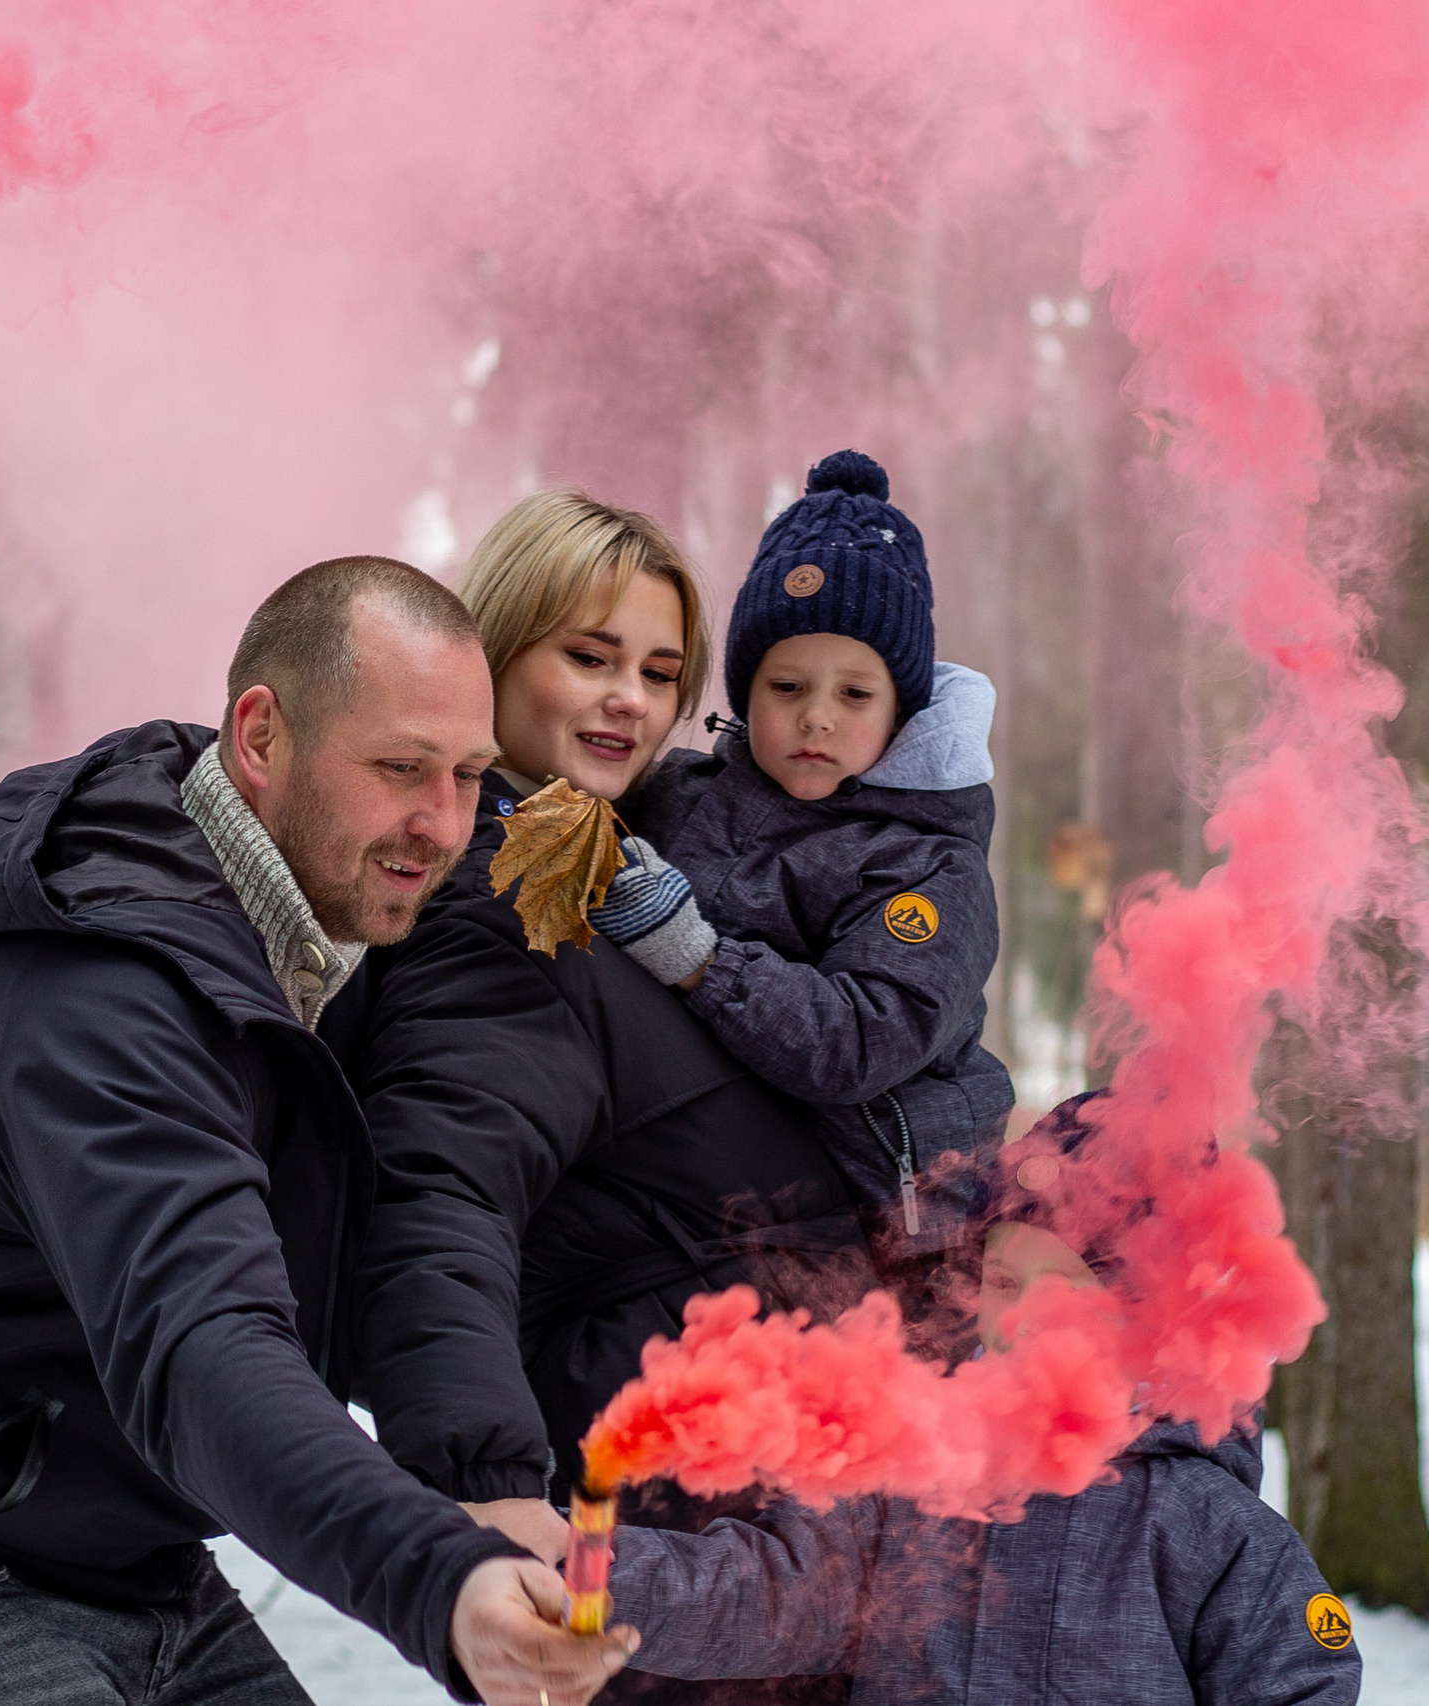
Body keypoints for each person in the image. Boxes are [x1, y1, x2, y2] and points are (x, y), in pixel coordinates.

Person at [0, 557, 638, 1706]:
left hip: (119, 1552)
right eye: (399, 767)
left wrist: (478, 1478)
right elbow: (202, 1343)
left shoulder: (324, 948)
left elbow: (429, 1214)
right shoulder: (101, 986)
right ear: (260, 736)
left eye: (467, 775)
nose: (440, 824)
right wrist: (440, 1579)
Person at [333, 491, 881, 1705]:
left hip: (762, 1512)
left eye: (659, 669)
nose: (627, 698)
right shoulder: (507, 906)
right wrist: (482, 1487)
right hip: (675, 1521)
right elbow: (441, 1191)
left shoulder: (613, 881)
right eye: (586, 656)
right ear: (493, 655)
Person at [599, 1217, 1362, 1705]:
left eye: (1065, 1287)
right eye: (1003, 1282)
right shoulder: (914, 1477)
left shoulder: (1207, 1525)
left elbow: (1303, 1685)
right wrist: (577, 1571)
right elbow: (760, 1592)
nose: (1023, 1315)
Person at [592, 449, 1013, 1271]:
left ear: (901, 711)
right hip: (718, 1189)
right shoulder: (679, 795)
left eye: (854, 694)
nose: (817, 718)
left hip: (886, 1228)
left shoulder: (927, 866)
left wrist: (699, 960)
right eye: (787, 688)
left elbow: (860, 1040)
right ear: (746, 695)